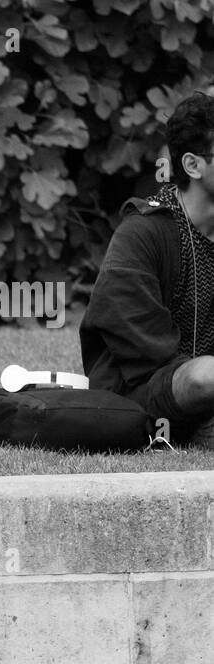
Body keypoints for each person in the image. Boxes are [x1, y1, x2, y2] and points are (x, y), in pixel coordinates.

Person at [82, 91, 214, 446]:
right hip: (143, 390)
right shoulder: (143, 232)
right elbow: (145, 355)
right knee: (204, 377)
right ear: (193, 165)